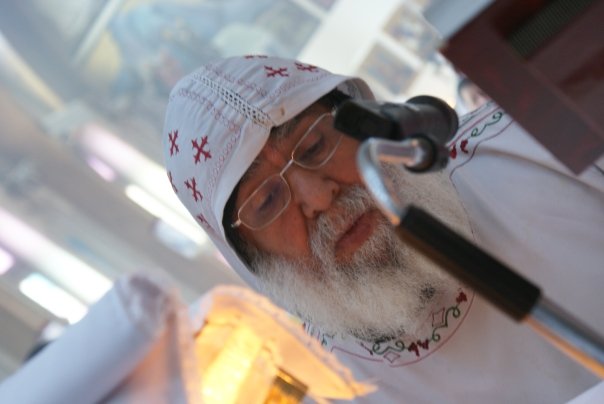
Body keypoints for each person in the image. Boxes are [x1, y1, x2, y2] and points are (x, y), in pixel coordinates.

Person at [163, 55, 604, 403]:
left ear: (365, 124)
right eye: (267, 202)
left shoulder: (533, 145)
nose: (319, 198)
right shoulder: (328, 386)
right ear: (251, 258)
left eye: (314, 146)